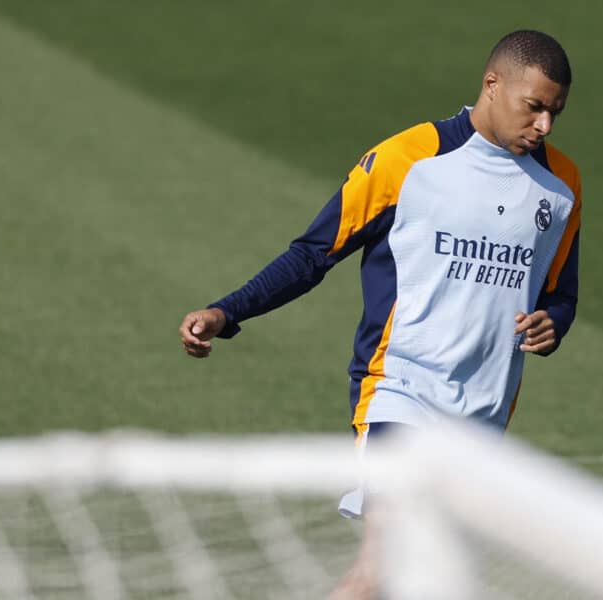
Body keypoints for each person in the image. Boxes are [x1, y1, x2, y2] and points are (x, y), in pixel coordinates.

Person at [178, 29, 580, 597]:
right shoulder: (409, 158)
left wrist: (554, 324)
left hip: (484, 413)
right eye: (534, 107)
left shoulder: (561, 184)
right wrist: (227, 311)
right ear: (493, 84)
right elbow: (314, 252)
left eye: (555, 113)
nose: (544, 127)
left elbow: (560, 293)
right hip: (400, 392)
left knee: (416, 579)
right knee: (387, 562)